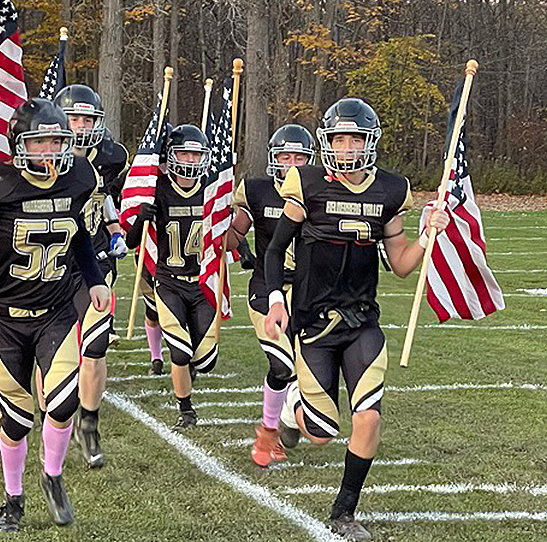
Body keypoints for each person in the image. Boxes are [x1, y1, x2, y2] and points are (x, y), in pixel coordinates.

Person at [264, 98, 449, 540]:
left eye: (355, 139)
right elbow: (274, 250)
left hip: (362, 321)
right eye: (338, 139)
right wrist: (275, 298)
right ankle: (293, 409)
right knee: (322, 432)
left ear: (370, 142)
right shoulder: (305, 184)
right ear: (327, 143)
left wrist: (428, 234)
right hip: (313, 324)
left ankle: (345, 510)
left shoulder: (389, 190)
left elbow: (402, 264)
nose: (346, 149)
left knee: (368, 417)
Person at [0, 98, 109, 532]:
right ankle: (13, 498)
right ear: (20, 144)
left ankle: (52, 476)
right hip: (7, 318)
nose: (50, 150)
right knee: (17, 420)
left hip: (56, 313)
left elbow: (76, 233)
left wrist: (94, 278)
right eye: (40, 142)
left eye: (57, 140)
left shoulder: (77, 177)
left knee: (62, 402)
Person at [225, 123, 315, 467]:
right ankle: (268, 430)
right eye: (284, 156)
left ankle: (288, 418)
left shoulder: (317, 190)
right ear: (273, 158)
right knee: (282, 363)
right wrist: (221, 225)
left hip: (308, 292)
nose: (291, 163)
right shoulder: (258, 190)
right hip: (267, 287)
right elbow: (234, 237)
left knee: (309, 366)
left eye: (298, 157)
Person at [53, 84, 129, 468]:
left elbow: (106, 196)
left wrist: (116, 229)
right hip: (51, 263)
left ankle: (90, 422)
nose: (80, 126)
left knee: (94, 346)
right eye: (73, 118)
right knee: (55, 355)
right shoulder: (42, 155)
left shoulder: (109, 157)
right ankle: (57, 418)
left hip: (95, 262)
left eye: (87, 119)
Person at [125, 124, 218, 431]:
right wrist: (142, 217)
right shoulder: (157, 189)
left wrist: (241, 246)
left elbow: (224, 230)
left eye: (196, 154)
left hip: (202, 282)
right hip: (170, 282)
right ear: (171, 155)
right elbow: (131, 242)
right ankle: (186, 409)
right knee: (179, 351)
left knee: (206, 359)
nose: (190, 160)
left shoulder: (210, 190)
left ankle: (189, 372)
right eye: (184, 153)